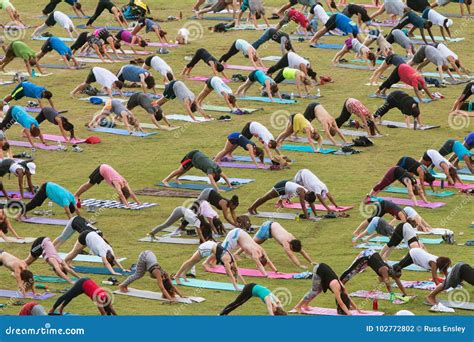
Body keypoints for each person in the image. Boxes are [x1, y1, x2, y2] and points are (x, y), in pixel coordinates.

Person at [294, 263, 362, 315]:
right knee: (314, 291)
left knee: (318, 291)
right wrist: (348, 313)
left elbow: (348, 298)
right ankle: (298, 306)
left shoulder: (343, 289)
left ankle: (305, 305)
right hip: (319, 269)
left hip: (325, 271)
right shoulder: (336, 287)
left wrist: (358, 310)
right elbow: (341, 303)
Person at [174, 240, 245, 291]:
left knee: (195, 261)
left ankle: (183, 274)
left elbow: (237, 272)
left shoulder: (233, 261)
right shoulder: (227, 261)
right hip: (207, 247)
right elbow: (231, 276)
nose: (229, 271)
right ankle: (177, 276)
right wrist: (236, 288)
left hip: (211, 246)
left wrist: (245, 284)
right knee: (191, 261)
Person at [340, 249, 409, 298]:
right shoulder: (385, 270)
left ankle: (340, 285)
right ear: (392, 273)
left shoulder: (392, 269)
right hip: (366, 256)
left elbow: (398, 281)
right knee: (352, 272)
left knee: (381, 279)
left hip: (372, 255)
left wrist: (405, 293)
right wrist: (392, 296)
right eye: (395, 277)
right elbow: (388, 285)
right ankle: (339, 284)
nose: (395, 279)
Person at [119, 251, 185, 300]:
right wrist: (170, 299)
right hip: (144, 256)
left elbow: (172, 286)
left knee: (141, 274)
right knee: (138, 274)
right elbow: (162, 288)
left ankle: (125, 285)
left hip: (150, 256)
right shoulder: (158, 273)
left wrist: (181, 295)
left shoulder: (166, 275)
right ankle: (122, 285)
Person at [246, 221, 314, 268]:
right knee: (251, 243)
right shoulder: (286, 243)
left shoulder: (293, 239)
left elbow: (302, 251)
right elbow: (291, 255)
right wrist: (299, 265)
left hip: (271, 227)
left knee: (253, 243)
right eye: (292, 249)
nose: (291, 250)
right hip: (266, 228)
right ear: (291, 245)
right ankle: (237, 254)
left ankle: (240, 252)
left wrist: (311, 261)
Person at [162, 150, 233, 191]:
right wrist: (218, 189)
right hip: (192, 156)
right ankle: (165, 180)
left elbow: (225, 177)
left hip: (197, 157)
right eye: (213, 177)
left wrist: (230, 186)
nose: (212, 176)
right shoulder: (210, 170)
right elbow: (212, 181)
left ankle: (176, 178)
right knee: (180, 170)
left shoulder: (217, 169)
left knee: (186, 169)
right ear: (214, 175)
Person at [74, 164, 141, 208]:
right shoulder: (117, 182)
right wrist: (127, 205)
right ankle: (76, 195)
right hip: (101, 169)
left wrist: (138, 202)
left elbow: (131, 192)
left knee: (89, 184)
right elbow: (120, 193)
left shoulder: (124, 182)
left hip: (106, 170)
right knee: (89, 184)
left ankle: (76, 195)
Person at [247, 180, 317, 219]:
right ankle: (251, 208)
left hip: (285, 188)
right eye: (306, 199)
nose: (305, 200)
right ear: (307, 196)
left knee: (265, 198)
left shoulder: (308, 193)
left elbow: (311, 203)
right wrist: (307, 218)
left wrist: (316, 215)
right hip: (282, 187)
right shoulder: (302, 192)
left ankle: (254, 208)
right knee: (265, 198)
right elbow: (303, 206)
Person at [49, 278, 116, 315]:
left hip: (88, 284)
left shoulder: (107, 297)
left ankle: (60, 308)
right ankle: (52, 309)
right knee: (66, 295)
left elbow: (111, 309)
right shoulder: (99, 300)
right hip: (82, 283)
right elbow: (103, 313)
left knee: (71, 296)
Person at [220, 283, 287, 315]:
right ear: (275, 310)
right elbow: (269, 309)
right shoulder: (268, 299)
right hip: (249, 289)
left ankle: (224, 314)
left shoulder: (277, 302)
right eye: (274, 311)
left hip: (253, 288)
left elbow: (280, 304)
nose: (273, 311)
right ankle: (221, 314)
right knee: (237, 303)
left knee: (239, 303)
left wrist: (283, 312)